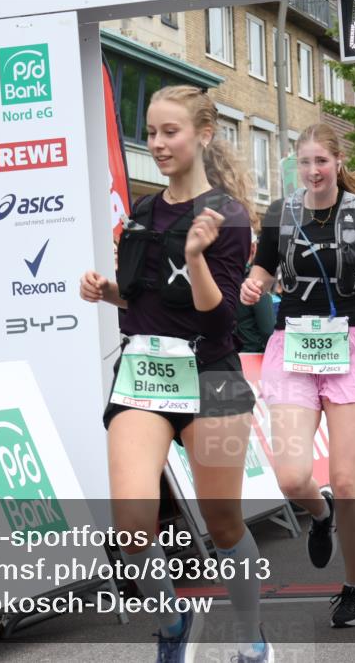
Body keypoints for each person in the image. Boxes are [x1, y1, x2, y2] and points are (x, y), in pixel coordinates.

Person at [79, 85, 270, 662]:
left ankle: (251, 637)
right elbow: (143, 301)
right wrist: (106, 291)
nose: (157, 143)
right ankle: (171, 621)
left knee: (224, 521)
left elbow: (221, 320)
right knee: (131, 525)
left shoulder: (228, 218)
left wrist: (195, 258)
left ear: (202, 136)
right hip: (143, 375)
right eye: (152, 132)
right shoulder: (142, 210)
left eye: (170, 132)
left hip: (209, 372)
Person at [240, 122, 355, 629]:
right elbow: (262, 272)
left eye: (322, 162)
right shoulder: (281, 213)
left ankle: (354, 588)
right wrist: (251, 287)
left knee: (344, 479)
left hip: (349, 346)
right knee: (293, 478)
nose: (313, 171)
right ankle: (320, 515)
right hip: (292, 346)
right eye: (305, 162)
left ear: (338, 163)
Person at [235, 234, 275, 352]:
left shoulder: (219, 280)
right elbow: (269, 331)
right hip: (252, 357)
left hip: (227, 357)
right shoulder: (254, 285)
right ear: (253, 248)